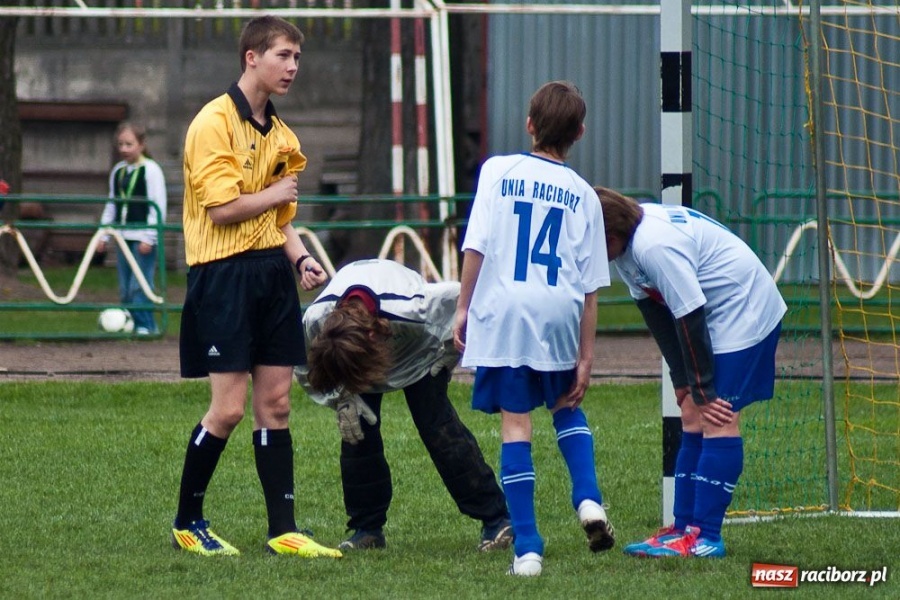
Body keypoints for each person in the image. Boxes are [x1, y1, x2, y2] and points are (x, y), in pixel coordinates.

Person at [171, 15, 340, 559]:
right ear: (252, 57)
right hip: (223, 275)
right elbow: (221, 210)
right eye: (283, 55)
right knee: (228, 410)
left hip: (270, 274)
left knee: (276, 404)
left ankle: (283, 530)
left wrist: (300, 259)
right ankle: (188, 520)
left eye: (296, 57)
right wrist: (275, 194)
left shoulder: (283, 136)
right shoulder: (213, 123)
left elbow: (279, 218)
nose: (292, 67)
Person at [453, 81, 616, 577]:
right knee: (567, 404)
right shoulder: (585, 195)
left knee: (515, 424)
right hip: (559, 310)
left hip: (506, 311)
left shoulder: (497, 170)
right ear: (580, 133)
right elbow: (590, 287)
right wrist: (585, 356)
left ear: (529, 124)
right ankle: (587, 498)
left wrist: (462, 308)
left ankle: (527, 546)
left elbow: (476, 245)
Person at [596, 187, 787, 559]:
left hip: (743, 309)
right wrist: (683, 381)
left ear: (610, 236)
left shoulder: (654, 246)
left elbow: (689, 314)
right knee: (690, 412)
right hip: (711, 313)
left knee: (718, 415)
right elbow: (658, 317)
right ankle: (681, 529)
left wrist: (702, 386)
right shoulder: (626, 247)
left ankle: (707, 537)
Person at [295, 258, 514, 552]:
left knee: (438, 428)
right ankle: (367, 529)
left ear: (374, 336)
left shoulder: (416, 306)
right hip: (355, 361)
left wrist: (446, 358)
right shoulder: (316, 323)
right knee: (357, 432)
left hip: (421, 355)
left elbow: (467, 302)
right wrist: (339, 400)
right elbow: (305, 369)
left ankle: (497, 519)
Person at [96, 122, 168, 335]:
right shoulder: (118, 171)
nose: (124, 149)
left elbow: (158, 205)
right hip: (122, 236)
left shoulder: (151, 170)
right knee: (126, 285)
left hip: (142, 237)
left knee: (141, 282)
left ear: (141, 145)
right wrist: (104, 233)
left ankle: (146, 325)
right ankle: (130, 322)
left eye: (129, 144)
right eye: (121, 144)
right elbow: (112, 204)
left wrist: (150, 236)